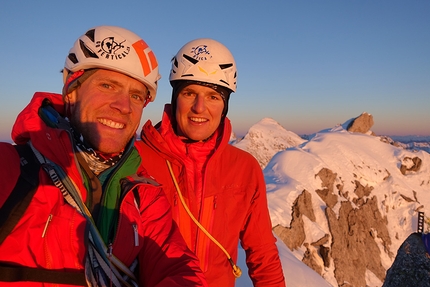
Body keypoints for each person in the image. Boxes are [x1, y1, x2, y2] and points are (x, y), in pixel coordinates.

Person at [0, 26, 207, 287]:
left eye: (135, 95)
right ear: (71, 90)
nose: (123, 106)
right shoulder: (12, 169)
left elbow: (178, 265)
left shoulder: (144, 194)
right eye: (108, 85)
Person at [135, 38, 286, 287]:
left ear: (225, 106)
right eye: (189, 93)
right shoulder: (137, 159)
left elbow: (263, 254)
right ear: (175, 98)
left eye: (213, 96)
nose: (199, 107)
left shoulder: (244, 168)